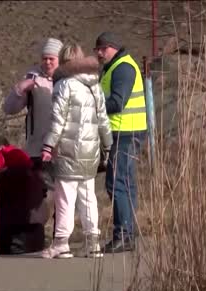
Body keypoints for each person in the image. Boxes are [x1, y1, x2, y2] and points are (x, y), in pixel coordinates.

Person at [39, 44, 113, 259]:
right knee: (88, 197)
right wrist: (108, 145)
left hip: (68, 152)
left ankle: (62, 243)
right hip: (90, 152)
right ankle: (93, 243)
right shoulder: (94, 86)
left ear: (63, 62)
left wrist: (48, 146)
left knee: (65, 199)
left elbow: (57, 121)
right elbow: (103, 121)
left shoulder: (64, 86)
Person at [2, 37, 63, 244]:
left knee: (63, 197)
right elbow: (9, 108)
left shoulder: (67, 80)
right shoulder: (33, 78)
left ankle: (60, 237)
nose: (47, 62)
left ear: (59, 60)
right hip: (37, 149)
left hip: (61, 150)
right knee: (38, 198)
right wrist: (20, 89)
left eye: (52, 59)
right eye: (44, 58)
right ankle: (36, 236)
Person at [94, 32, 147, 253]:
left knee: (118, 184)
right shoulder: (115, 67)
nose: (98, 53)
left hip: (124, 132)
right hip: (124, 131)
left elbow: (117, 102)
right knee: (124, 183)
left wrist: (92, 104)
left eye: (103, 48)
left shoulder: (123, 68)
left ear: (113, 47)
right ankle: (127, 233)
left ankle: (123, 235)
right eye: (97, 49)